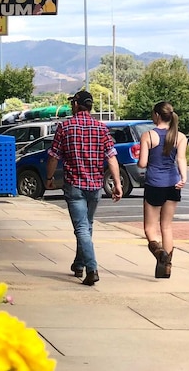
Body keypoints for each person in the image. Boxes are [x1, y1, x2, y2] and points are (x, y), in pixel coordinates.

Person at [46, 90, 122, 286]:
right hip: (95, 185)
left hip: (74, 185)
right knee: (86, 227)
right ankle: (78, 264)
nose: (71, 106)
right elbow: (111, 157)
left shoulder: (65, 127)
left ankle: (92, 268)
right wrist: (117, 183)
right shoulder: (101, 128)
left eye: (73, 103)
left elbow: (54, 156)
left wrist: (49, 178)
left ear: (77, 104)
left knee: (81, 228)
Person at [137, 101, 187, 279]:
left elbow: (142, 163)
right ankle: (167, 267)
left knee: (150, 229)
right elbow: (181, 159)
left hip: (154, 184)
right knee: (166, 226)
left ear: (157, 115)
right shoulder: (180, 136)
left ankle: (160, 254)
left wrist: (141, 160)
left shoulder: (148, 136)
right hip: (173, 183)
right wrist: (184, 178)